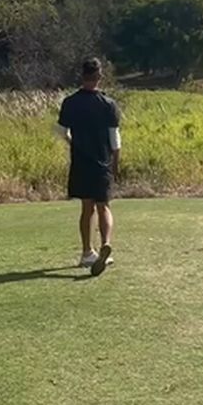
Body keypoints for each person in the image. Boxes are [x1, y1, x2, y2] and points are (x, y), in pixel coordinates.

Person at [55, 57, 121, 276]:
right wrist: (116, 165)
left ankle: (87, 252)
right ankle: (106, 245)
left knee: (87, 208)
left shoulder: (70, 103)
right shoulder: (109, 104)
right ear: (99, 77)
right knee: (104, 206)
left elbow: (62, 132)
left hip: (81, 161)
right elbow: (115, 140)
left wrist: (73, 143)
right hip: (103, 162)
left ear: (82, 76)